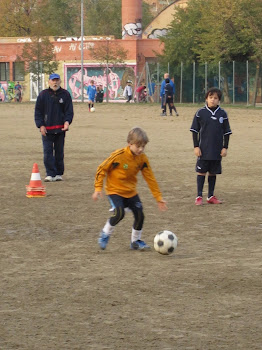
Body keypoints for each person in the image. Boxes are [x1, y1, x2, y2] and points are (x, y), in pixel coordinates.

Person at [92, 127, 168, 250]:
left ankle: (135, 241)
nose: (141, 149)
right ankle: (105, 233)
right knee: (119, 213)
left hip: (131, 191)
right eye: (138, 146)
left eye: (143, 146)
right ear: (130, 143)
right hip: (114, 190)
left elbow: (150, 178)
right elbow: (101, 169)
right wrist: (98, 188)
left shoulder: (142, 159)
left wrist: (158, 198)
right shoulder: (118, 156)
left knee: (140, 215)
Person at [190, 87, 232, 205]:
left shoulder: (222, 114)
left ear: (219, 100)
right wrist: (196, 146)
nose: (213, 100)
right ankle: (199, 196)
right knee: (201, 172)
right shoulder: (200, 113)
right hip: (203, 149)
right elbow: (194, 131)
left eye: (215, 98)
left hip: (217, 150)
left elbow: (227, 132)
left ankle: (210, 196)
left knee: (213, 172)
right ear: (206, 98)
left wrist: (225, 147)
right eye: (210, 97)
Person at [34, 73, 74, 182]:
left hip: (61, 129)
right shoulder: (43, 95)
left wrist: (67, 122)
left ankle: (58, 173)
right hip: (47, 129)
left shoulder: (65, 94)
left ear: (60, 81)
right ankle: (50, 173)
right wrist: (41, 125)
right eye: (53, 80)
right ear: (49, 82)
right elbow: (38, 112)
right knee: (47, 152)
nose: (55, 82)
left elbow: (69, 111)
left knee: (59, 152)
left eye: (57, 80)